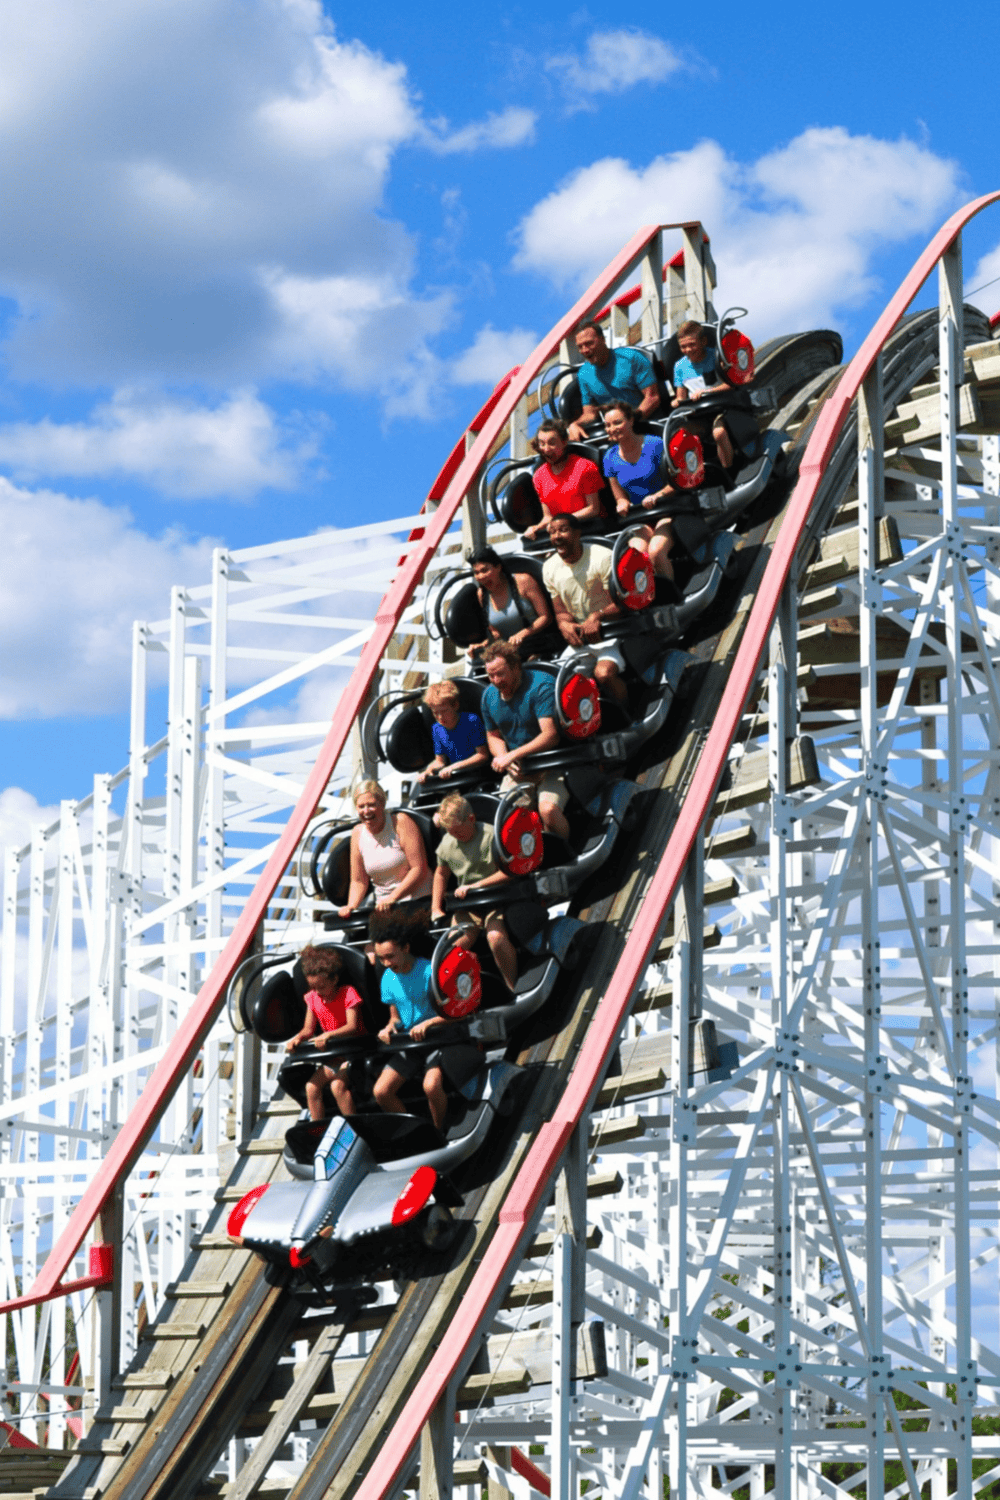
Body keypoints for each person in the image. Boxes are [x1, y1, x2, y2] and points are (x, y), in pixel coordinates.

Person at [370, 909, 483, 1132]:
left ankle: (438, 1130)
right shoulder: (387, 978)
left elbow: (457, 1011)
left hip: (440, 1038)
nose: (385, 962)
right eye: (381, 958)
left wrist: (428, 1023)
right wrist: (390, 1026)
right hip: (413, 1043)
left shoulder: (430, 972)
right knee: (381, 1091)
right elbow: (395, 1015)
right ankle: (415, 1132)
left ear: (405, 948)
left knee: (431, 1085)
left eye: (390, 956)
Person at [479, 639, 571, 841]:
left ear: (515, 667)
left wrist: (512, 755)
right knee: (506, 821)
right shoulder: (489, 697)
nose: (495, 680)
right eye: (490, 675)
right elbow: (492, 735)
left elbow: (550, 736)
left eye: (500, 674)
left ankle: (564, 852)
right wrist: (505, 758)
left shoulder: (541, 686)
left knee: (548, 811)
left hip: (553, 763)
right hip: (521, 768)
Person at [542, 513, 633, 708]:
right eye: (552, 532)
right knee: (557, 683)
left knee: (604, 674)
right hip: (582, 640)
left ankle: (629, 714)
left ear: (577, 533)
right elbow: (561, 612)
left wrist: (598, 616)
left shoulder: (602, 557)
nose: (556, 536)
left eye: (563, 530)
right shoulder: (549, 567)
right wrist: (564, 625)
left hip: (613, 632)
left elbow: (624, 602)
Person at [431, 793, 518, 989]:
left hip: (497, 899)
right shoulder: (447, 844)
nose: (454, 837)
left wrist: (477, 886)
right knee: (453, 948)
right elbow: (441, 874)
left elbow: (510, 872)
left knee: (495, 938)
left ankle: (512, 986)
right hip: (469, 905)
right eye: (450, 833)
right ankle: (467, 994)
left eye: (458, 832)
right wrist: (436, 908)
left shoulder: (492, 836)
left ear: (471, 819)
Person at [284, 945, 365, 1120]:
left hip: (351, 1054)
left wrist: (329, 1034)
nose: (318, 992)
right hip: (333, 1057)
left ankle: (355, 1127)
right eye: (314, 987)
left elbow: (352, 1026)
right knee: (311, 1088)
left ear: (334, 979)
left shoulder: (347, 993)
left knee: (337, 1087)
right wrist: (297, 1039)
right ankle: (318, 1127)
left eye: (322, 986)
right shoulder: (313, 998)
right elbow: (308, 1029)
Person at [601, 400, 676, 581]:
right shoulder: (609, 458)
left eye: (617, 423)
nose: (612, 429)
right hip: (642, 517)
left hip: (667, 508)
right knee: (636, 556)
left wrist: (658, 495)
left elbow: (677, 482)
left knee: (656, 551)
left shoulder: (655, 444)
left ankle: (671, 596)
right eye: (608, 425)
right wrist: (622, 504)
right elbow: (620, 497)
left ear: (631, 421)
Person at [338, 780, 432, 919]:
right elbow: (359, 880)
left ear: (382, 804)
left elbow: (419, 869)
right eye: (361, 806)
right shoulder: (357, 833)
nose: (366, 811)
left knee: (392, 940)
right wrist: (351, 906)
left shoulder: (401, 823)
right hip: (384, 908)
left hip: (416, 901)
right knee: (378, 940)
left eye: (371, 805)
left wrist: (393, 897)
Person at [671, 319, 748, 470]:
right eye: (683, 346)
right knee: (678, 438)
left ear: (704, 341)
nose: (688, 350)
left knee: (718, 433)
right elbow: (681, 396)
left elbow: (731, 384)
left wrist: (707, 392)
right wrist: (677, 401)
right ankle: (697, 475)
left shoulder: (717, 357)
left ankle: (729, 470)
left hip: (723, 408)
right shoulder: (680, 366)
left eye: (692, 344)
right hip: (699, 413)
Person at [567, 321, 660, 442]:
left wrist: (631, 419)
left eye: (589, 343)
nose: (585, 350)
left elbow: (652, 397)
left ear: (602, 340)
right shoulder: (583, 374)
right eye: (580, 346)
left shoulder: (632, 358)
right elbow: (590, 414)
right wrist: (574, 425)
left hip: (646, 424)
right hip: (615, 432)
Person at [466, 546, 554, 659]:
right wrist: (483, 645)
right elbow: (496, 633)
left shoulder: (523, 581)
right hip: (511, 655)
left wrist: (523, 634)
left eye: (485, 570)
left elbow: (546, 617)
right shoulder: (481, 595)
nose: (481, 576)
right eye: (476, 572)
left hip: (539, 647)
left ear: (498, 567)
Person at [523, 420, 604, 543]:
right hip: (561, 537)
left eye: (552, 443)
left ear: (564, 442)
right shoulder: (539, 476)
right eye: (542, 444)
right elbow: (548, 517)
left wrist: (561, 523)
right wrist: (536, 527)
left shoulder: (585, 467)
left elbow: (593, 508)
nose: (546, 449)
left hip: (588, 531)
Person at [417, 681, 489, 784]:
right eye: (435, 713)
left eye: (444, 711)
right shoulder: (436, 729)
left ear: (455, 705)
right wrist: (428, 771)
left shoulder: (471, 721)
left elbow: (482, 755)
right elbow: (439, 761)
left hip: (477, 774)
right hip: (456, 778)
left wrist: (454, 767)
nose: (440, 717)